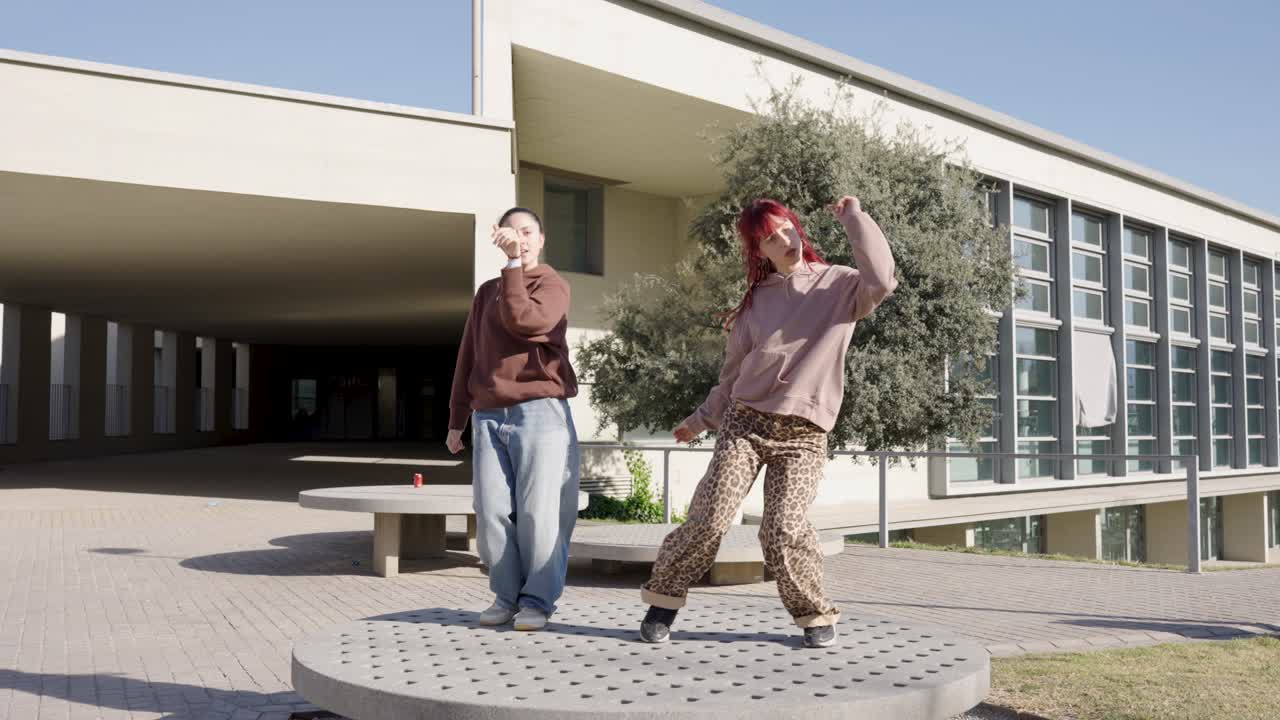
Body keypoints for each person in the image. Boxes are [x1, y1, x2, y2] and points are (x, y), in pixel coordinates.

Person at [639, 195, 897, 648]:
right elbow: (733, 376)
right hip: (745, 424)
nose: (785, 240)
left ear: (797, 228)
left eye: (787, 229)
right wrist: (700, 421)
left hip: (804, 435)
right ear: (759, 252)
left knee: (782, 529)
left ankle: (814, 614)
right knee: (710, 517)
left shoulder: (839, 286)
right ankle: (663, 598)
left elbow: (882, 278)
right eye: (770, 239)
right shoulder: (754, 303)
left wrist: (855, 218)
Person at [447, 207, 580, 632]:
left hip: (540, 411)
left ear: (540, 240)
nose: (520, 239)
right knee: (490, 513)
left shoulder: (553, 285)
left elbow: (525, 321)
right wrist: (457, 417)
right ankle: (506, 597)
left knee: (541, 514)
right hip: (489, 414)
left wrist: (511, 267)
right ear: (498, 236)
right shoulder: (487, 292)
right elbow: (470, 353)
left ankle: (537, 601)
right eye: (512, 233)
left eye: (527, 233)